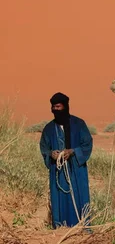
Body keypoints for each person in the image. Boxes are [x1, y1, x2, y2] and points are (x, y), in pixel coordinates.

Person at [39, 92, 93, 228]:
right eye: (53, 107)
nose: (56, 110)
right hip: (58, 172)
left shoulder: (79, 124)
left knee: (79, 197)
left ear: (65, 106)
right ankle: (60, 228)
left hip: (77, 170)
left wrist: (73, 151)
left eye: (58, 107)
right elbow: (44, 147)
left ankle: (83, 227)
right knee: (60, 198)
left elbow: (87, 143)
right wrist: (51, 154)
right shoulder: (49, 128)